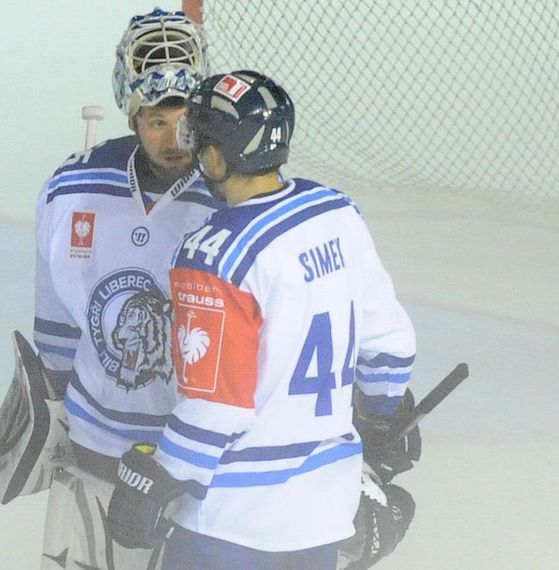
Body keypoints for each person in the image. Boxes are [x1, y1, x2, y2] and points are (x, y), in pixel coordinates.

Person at [106, 70, 419, 569]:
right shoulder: (335, 212)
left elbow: (217, 409)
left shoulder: (215, 254)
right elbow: (392, 345)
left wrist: (160, 474)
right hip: (324, 516)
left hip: (233, 523)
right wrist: (384, 416)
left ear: (215, 155)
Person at [31, 8, 223, 569]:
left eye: (184, 119)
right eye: (155, 120)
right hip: (96, 450)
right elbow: (57, 327)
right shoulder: (74, 186)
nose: (173, 138)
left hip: (191, 464)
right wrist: (52, 411)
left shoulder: (230, 197)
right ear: (131, 112)